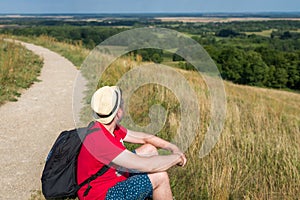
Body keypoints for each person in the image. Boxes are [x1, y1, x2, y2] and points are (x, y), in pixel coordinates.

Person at [77, 86, 187, 200]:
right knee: (160, 176)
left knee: (149, 149)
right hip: (101, 195)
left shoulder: (109, 128)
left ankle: (155, 193)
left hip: (112, 177)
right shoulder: (101, 140)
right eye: (122, 103)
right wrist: (177, 158)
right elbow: (147, 165)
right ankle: (158, 189)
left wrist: (172, 147)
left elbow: (145, 138)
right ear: (118, 112)